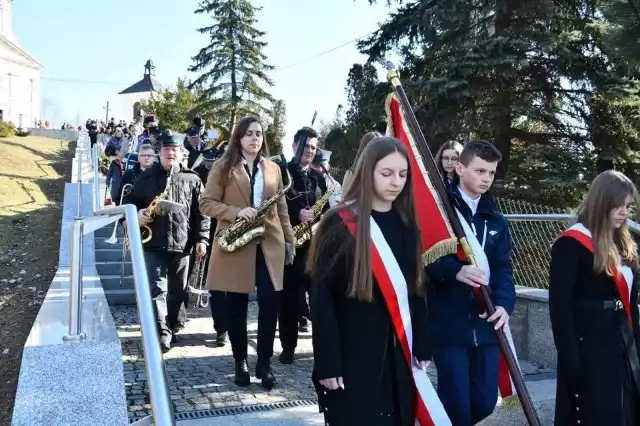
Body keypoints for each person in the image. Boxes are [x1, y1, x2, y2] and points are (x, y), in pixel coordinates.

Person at [307, 136, 431, 425]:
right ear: (368, 173)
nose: (396, 182)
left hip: (398, 354)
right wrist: (327, 361)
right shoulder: (339, 224)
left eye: (402, 174)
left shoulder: (408, 226)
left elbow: (417, 289)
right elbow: (322, 299)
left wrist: (423, 342)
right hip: (353, 353)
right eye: (386, 173)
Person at [200, 116, 295, 390]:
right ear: (239, 138)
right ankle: (239, 361)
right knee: (237, 306)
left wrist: (289, 241)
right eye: (249, 133)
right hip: (237, 241)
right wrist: (236, 212)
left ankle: (264, 364)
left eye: (259, 133)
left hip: (269, 242)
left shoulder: (274, 168)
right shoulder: (223, 166)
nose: (255, 138)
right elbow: (206, 203)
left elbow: (282, 210)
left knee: (269, 303)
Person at [425, 139, 515, 426]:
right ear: (460, 168)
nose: (486, 178)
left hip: (486, 326)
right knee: (456, 403)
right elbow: (423, 259)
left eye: (491, 173)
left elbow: (503, 268)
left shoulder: (496, 218)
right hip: (449, 325)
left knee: (486, 402)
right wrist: (454, 271)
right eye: (479, 171)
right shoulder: (440, 211)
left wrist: (503, 304)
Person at [549, 170, 640, 425]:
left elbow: (631, 302)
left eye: (628, 207)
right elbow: (560, 307)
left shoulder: (624, 244)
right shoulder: (571, 243)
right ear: (602, 202)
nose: (624, 212)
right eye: (617, 205)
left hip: (624, 339)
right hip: (591, 344)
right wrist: (570, 358)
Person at [122, 130, 210, 352]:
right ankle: (162, 332)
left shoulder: (193, 179)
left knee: (178, 290)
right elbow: (128, 204)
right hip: (154, 243)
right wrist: (137, 214)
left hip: (183, 244)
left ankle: (171, 325)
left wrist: (202, 238)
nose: (170, 152)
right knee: (157, 289)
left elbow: (203, 213)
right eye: (166, 149)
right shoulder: (146, 177)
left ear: (182, 153)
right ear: (159, 152)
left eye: (175, 149)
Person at [278, 126, 325, 362]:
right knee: (288, 299)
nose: (310, 151)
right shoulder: (282, 173)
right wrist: (298, 213)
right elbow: (275, 204)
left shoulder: (318, 176)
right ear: (294, 146)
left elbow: (325, 208)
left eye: (313, 147)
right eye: (306, 146)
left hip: (315, 247)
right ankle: (288, 348)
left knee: (319, 299)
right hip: (290, 245)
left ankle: (323, 349)